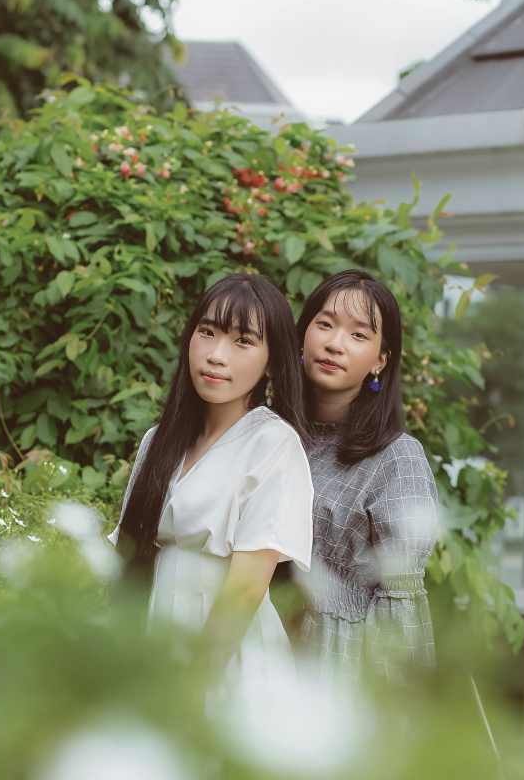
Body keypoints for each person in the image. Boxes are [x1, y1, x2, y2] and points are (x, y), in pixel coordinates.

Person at [110, 273, 314, 700]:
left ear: (271, 361)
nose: (216, 355)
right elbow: (127, 561)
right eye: (207, 332)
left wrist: (194, 682)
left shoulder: (273, 444)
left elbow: (246, 588)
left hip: (227, 653)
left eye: (242, 341)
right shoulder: (159, 441)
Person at [295, 269, 441, 682]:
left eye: (359, 335)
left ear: (380, 360)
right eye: (324, 324)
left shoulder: (397, 459)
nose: (335, 344)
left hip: (337, 661)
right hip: (258, 644)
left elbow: (401, 607)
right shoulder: (269, 434)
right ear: (302, 335)